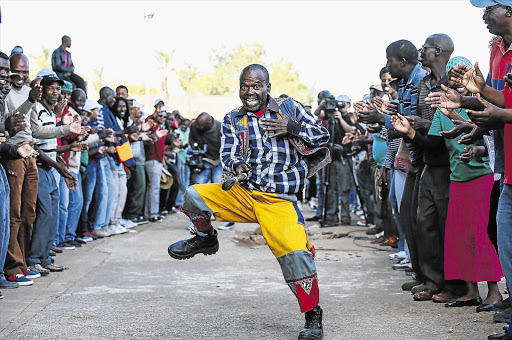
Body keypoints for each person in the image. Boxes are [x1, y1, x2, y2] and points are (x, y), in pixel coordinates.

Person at [168, 64, 330, 339]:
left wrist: (291, 127)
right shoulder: (233, 118)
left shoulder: (289, 107)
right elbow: (228, 153)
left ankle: (313, 316)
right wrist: (238, 165)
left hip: (278, 200)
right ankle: (206, 238)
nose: (250, 91)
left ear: (268, 86)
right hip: (245, 193)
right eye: (245, 86)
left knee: (295, 256)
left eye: (256, 85)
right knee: (194, 195)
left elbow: (322, 136)